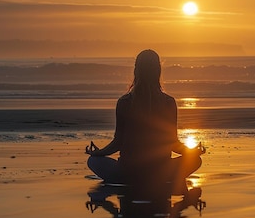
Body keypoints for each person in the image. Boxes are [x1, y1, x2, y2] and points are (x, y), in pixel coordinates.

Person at [85, 49, 204, 194]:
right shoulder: (168, 102)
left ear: (136, 71)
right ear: (158, 71)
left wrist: (99, 153)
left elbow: (118, 142)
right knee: (196, 160)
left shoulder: (124, 102)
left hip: (127, 174)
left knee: (93, 161)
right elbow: (173, 144)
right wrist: (192, 152)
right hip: (161, 173)